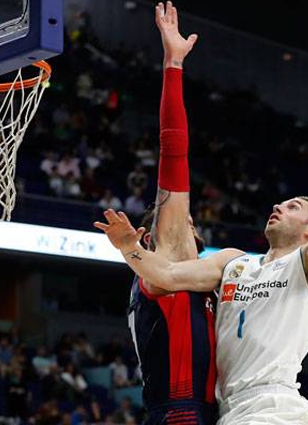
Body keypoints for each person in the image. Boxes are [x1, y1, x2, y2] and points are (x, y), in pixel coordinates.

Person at [96, 95, 308, 424]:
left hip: (273, 405)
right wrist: (130, 248)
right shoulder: (234, 262)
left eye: (292, 207)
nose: (278, 207)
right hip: (228, 410)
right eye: (280, 204)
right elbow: (167, 275)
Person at [124, 3, 216, 424]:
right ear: (149, 239)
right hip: (183, 413)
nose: (187, 221)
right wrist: (173, 65)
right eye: (181, 219)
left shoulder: (182, 277)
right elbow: (173, 150)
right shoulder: (169, 258)